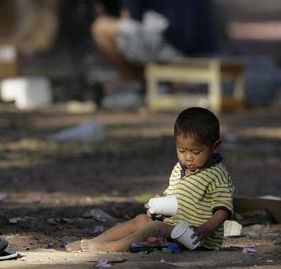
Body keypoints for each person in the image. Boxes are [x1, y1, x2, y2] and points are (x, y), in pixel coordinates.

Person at [66, 107, 235, 252]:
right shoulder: (179, 168)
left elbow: (223, 209)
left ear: (214, 147)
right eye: (182, 151)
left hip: (196, 238)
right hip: (173, 229)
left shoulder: (216, 174)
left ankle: (113, 248)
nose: (188, 158)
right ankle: (97, 241)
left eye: (196, 152)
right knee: (142, 220)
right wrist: (157, 209)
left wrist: (205, 229)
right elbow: (174, 201)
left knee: (155, 227)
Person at [91, 0, 220, 108]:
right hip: (202, 41)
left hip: (175, 39)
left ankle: (139, 87)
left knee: (101, 27)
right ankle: (156, 85)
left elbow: (133, 18)